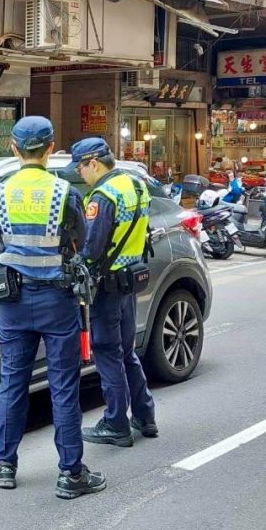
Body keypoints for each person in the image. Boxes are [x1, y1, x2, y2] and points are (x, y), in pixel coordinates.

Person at [0, 115, 107, 499]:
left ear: (14, 148)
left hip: (13, 302)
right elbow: (80, 241)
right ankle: (71, 473)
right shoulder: (65, 193)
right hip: (57, 301)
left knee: (12, 384)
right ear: (52, 148)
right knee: (63, 387)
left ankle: (5, 464)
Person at [70, 137, 157, 448]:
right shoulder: (135, 185)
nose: (80, 174)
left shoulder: (102, 196)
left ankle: (116, 423)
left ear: (93, 163)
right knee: (126, 351)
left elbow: (91, 249)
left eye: (80, 168)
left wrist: (75, 263)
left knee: (107, 352)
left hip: (106, 286)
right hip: (130, 279)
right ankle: (145, 415)